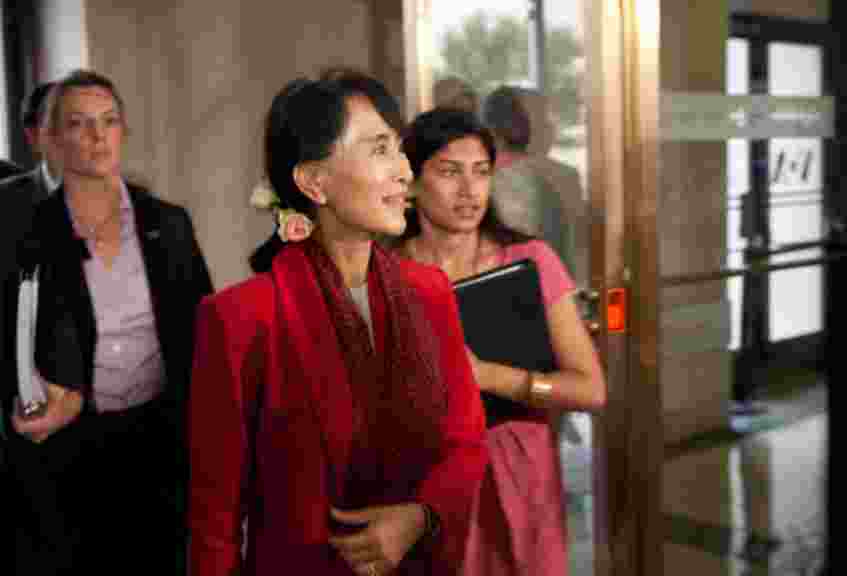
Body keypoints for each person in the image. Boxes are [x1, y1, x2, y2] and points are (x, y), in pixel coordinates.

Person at [188, 71, 488, 576]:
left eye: (398, 148)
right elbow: (215, 520)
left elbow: (467, 443)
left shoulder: (429, 293)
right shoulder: (241, 318)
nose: (403, 171)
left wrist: (418, 517)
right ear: (313, 182)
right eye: (378, 149)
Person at [2, 69, 213, 574]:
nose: (97, 136)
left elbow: (203, 332)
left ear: (123, 132)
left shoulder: (168, 222)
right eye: (78, 123)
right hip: (66, 449)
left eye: (109, 121)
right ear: (49, 140)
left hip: (158, 443)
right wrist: (20, 400)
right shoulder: (20, 225)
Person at [396, 107, 606, 575]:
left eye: (481, 172)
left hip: (519, 468)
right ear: (411, 181)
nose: (469, 191)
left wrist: (491, 377)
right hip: (423, 475)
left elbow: (590, 389)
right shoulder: (386, 272)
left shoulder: (530, 260)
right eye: (449, 172)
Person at [482, 85, 575, 279]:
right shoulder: (564, 178)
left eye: (550, 119)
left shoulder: (565, 178)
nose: (551, 128)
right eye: (542, 119)